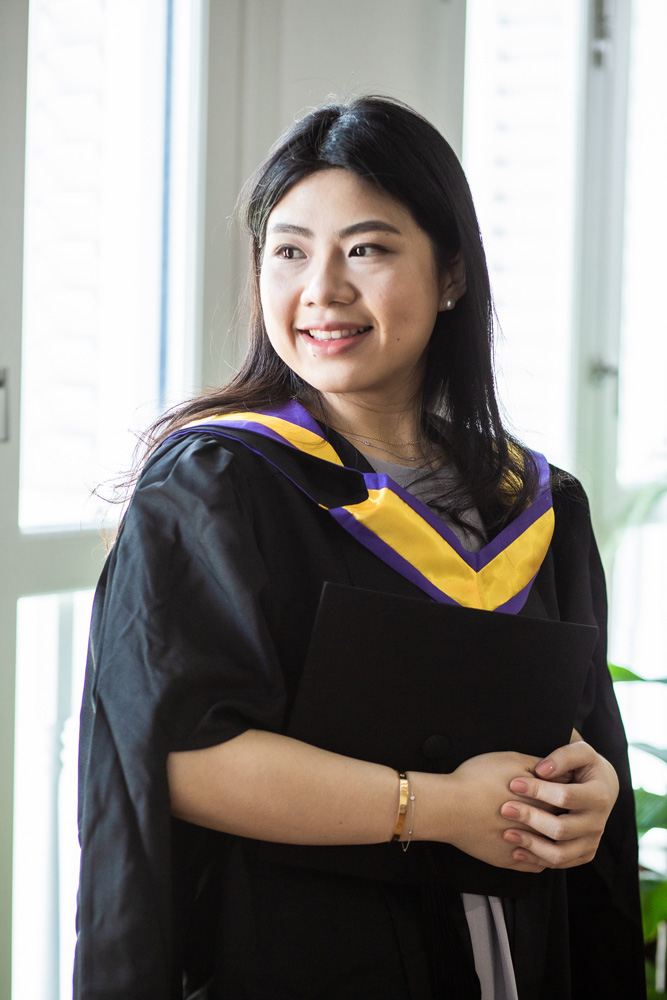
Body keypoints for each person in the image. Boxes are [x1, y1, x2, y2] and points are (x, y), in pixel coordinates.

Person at [75, 96, 645, 999]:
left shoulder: (533, 503)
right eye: (289, 250)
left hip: (508, 951)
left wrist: (587, 796)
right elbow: (177, 756)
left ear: (451, 273)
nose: (322, 291)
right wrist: (442, 808)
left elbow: (572, 732)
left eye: (366, 249)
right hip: (300, 951)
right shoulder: (218, 485)